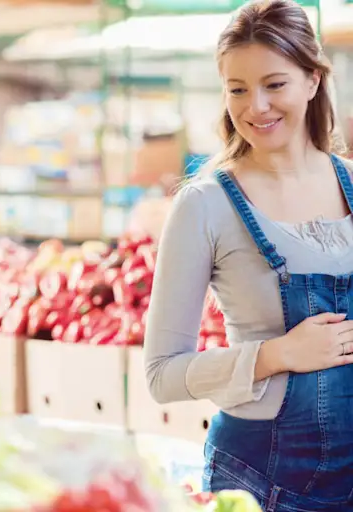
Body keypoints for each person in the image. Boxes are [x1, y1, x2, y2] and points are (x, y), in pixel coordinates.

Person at [143, 0, 353, 510]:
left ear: (312, 79)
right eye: (238, 89)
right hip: (262, 475)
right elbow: (162, 375)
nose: (255, 107)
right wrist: (277, 355)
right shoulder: (205, 204)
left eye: (274, 84)